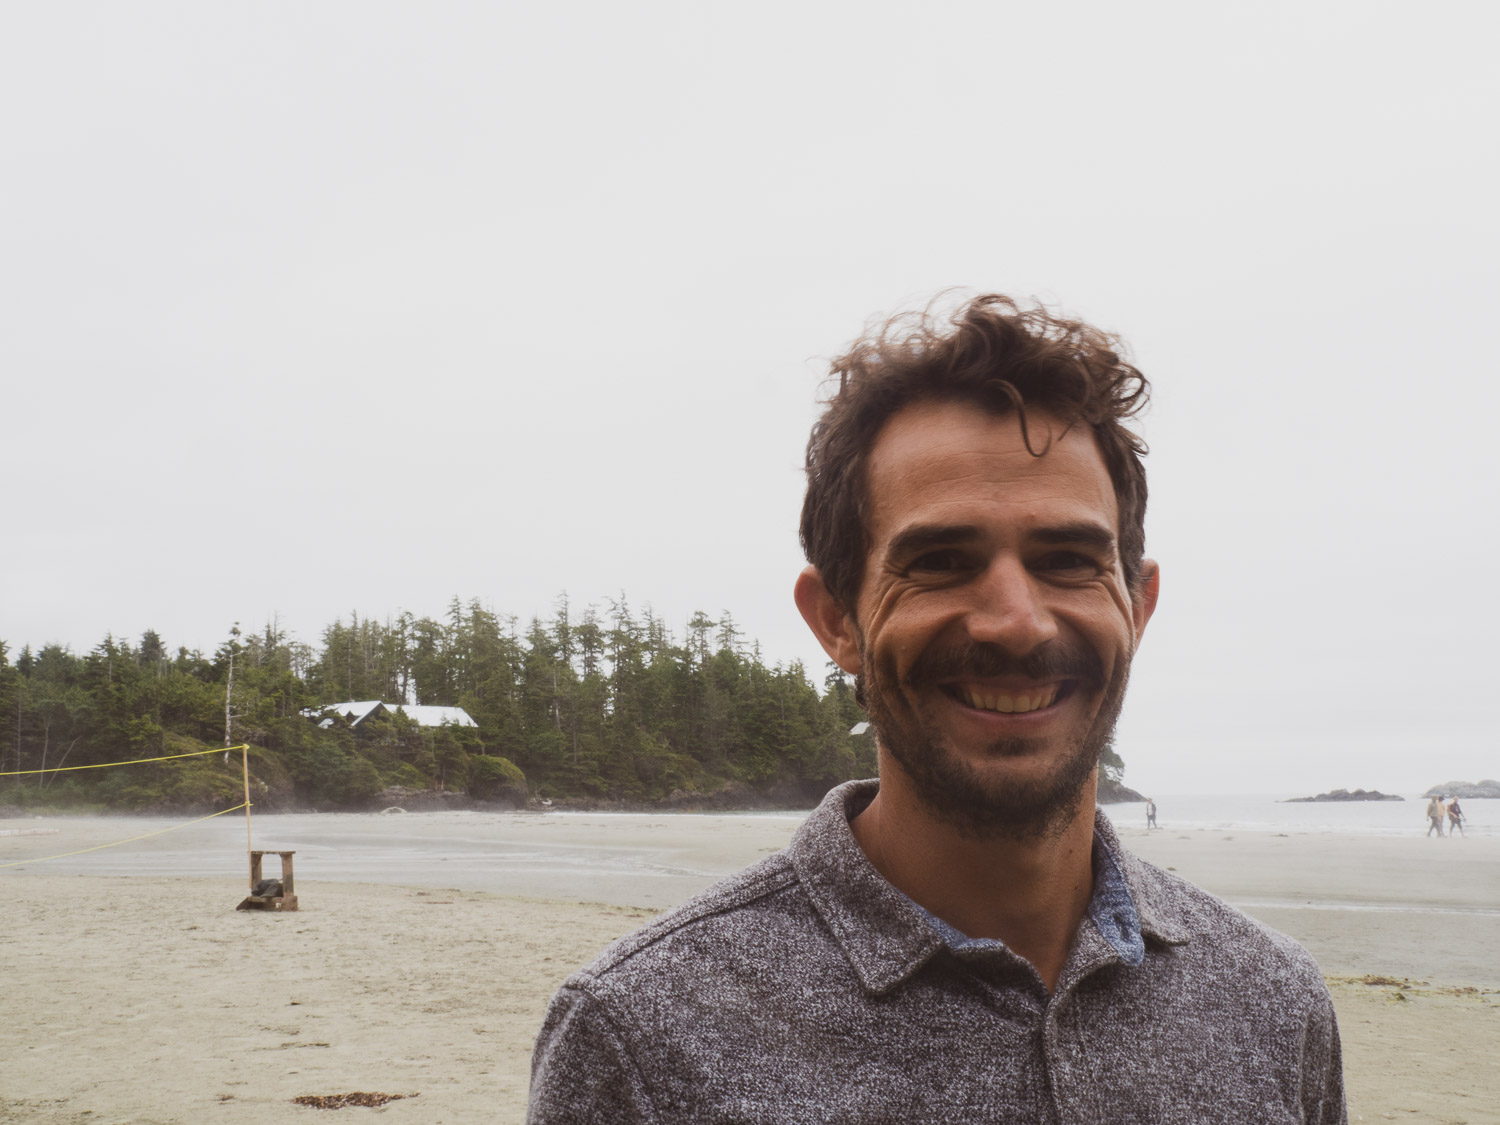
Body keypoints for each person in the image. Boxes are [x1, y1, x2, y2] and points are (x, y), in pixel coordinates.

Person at [527, 294, 1346, 1123]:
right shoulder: (641, 1039)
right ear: (837, 619)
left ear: (1137, 604)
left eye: (1068, 559)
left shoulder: (1274, 1003)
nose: (1018, 623)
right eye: (941, 560)